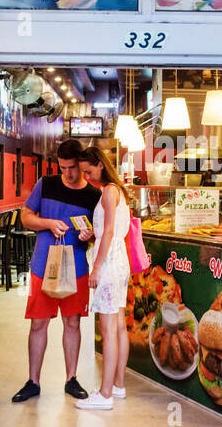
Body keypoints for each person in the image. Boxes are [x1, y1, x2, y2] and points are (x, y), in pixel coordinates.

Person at [12, 139, 100, 402]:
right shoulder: (46, 184)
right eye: (62, 168)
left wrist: (89, 235)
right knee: (38, 323)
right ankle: (33, 381)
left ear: (81, 165)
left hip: (77, 268)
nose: (68, 174)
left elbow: (98, 233)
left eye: (72, 168)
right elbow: (26, 216)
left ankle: (71, 379)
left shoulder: (93, 196)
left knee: (72, 323)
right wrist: (48, 223)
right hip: (42, 266)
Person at [74, 145, 133, 410]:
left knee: (108, 330)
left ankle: (105, 394)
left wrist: (96, 267)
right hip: (119, 261)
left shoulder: (108, 192)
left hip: (108, 264)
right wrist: (92, 234)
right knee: (118, 326)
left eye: (88, 170)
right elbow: (108, 231)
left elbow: (108, 232)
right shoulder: (116, 191)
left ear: (100, 164)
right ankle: (118, 385)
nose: (86, 176)